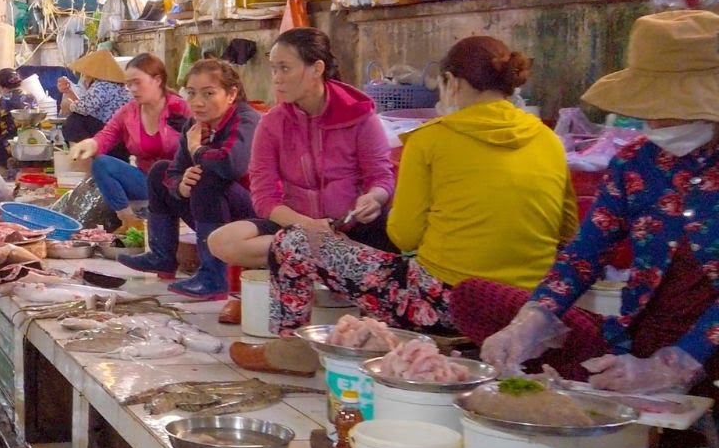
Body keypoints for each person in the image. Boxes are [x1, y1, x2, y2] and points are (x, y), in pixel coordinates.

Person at [464, 11, 719, 398]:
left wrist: (677, 364)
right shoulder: (636, 162)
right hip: (635, 341)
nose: (653, 118)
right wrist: (535, 318)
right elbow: (584, 254)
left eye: (666, 105)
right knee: (474, 298)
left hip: (706, 351)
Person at [263, 35, 575, 337]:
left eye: (283, 67)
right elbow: (567, 231)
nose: (277, 76)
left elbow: (404, 234)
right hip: (528, 307)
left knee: (293, 243)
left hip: (447, 304)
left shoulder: (429, 139)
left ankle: (291, 350)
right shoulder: (549, 140)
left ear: (451, 82)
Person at [209, 28, 396, 274]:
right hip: (297, 228)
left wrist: (374, 198)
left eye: (284, 68)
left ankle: (322, 260)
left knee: (400, 226)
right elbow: (264, 197)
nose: (276, 77)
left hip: (353, 226)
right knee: (222, 241)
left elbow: (382, 177)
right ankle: (331, 259)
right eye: (273, 68)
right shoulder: (272, 123)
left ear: (316, 69)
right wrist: (308, 226)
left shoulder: (359, 116)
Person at [119, 59, 260, 299]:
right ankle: (162, 257)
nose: (197, 102)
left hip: (254, 215)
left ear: (231, 94)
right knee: (159, 171)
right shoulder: (194, 126)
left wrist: (197, 151)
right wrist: (180, 186)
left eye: (208, 93)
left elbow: (231, 165)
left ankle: (214, 278)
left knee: (206, 175)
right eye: (192, 93)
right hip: (213, 209)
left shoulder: (247, 120)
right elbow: (175, 170)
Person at [69, 53, 190, 233]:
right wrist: (90, 144)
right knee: (102, 163)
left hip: (179, 185)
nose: (132, 89)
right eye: (128, 84)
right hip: (145, 183)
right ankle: (130, 221)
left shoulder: (180, 108)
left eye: (137, 82)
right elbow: (107, 135)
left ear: (157, 80)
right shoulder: (128, 112)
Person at [60, 50, 134, 154]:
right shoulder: (119, 86)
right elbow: (86, 105)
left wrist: (69, 105)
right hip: (121, 135)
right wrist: (69, 92)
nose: (85, 75)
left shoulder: (102, 85)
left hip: (111, 134)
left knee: (74, 121)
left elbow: (84, 108)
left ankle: (79, 156)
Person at [0, 67, 37, 170]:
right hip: (33, 145)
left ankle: (4, 165)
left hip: (10, 149)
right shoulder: (32, 97)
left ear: (1, 86)